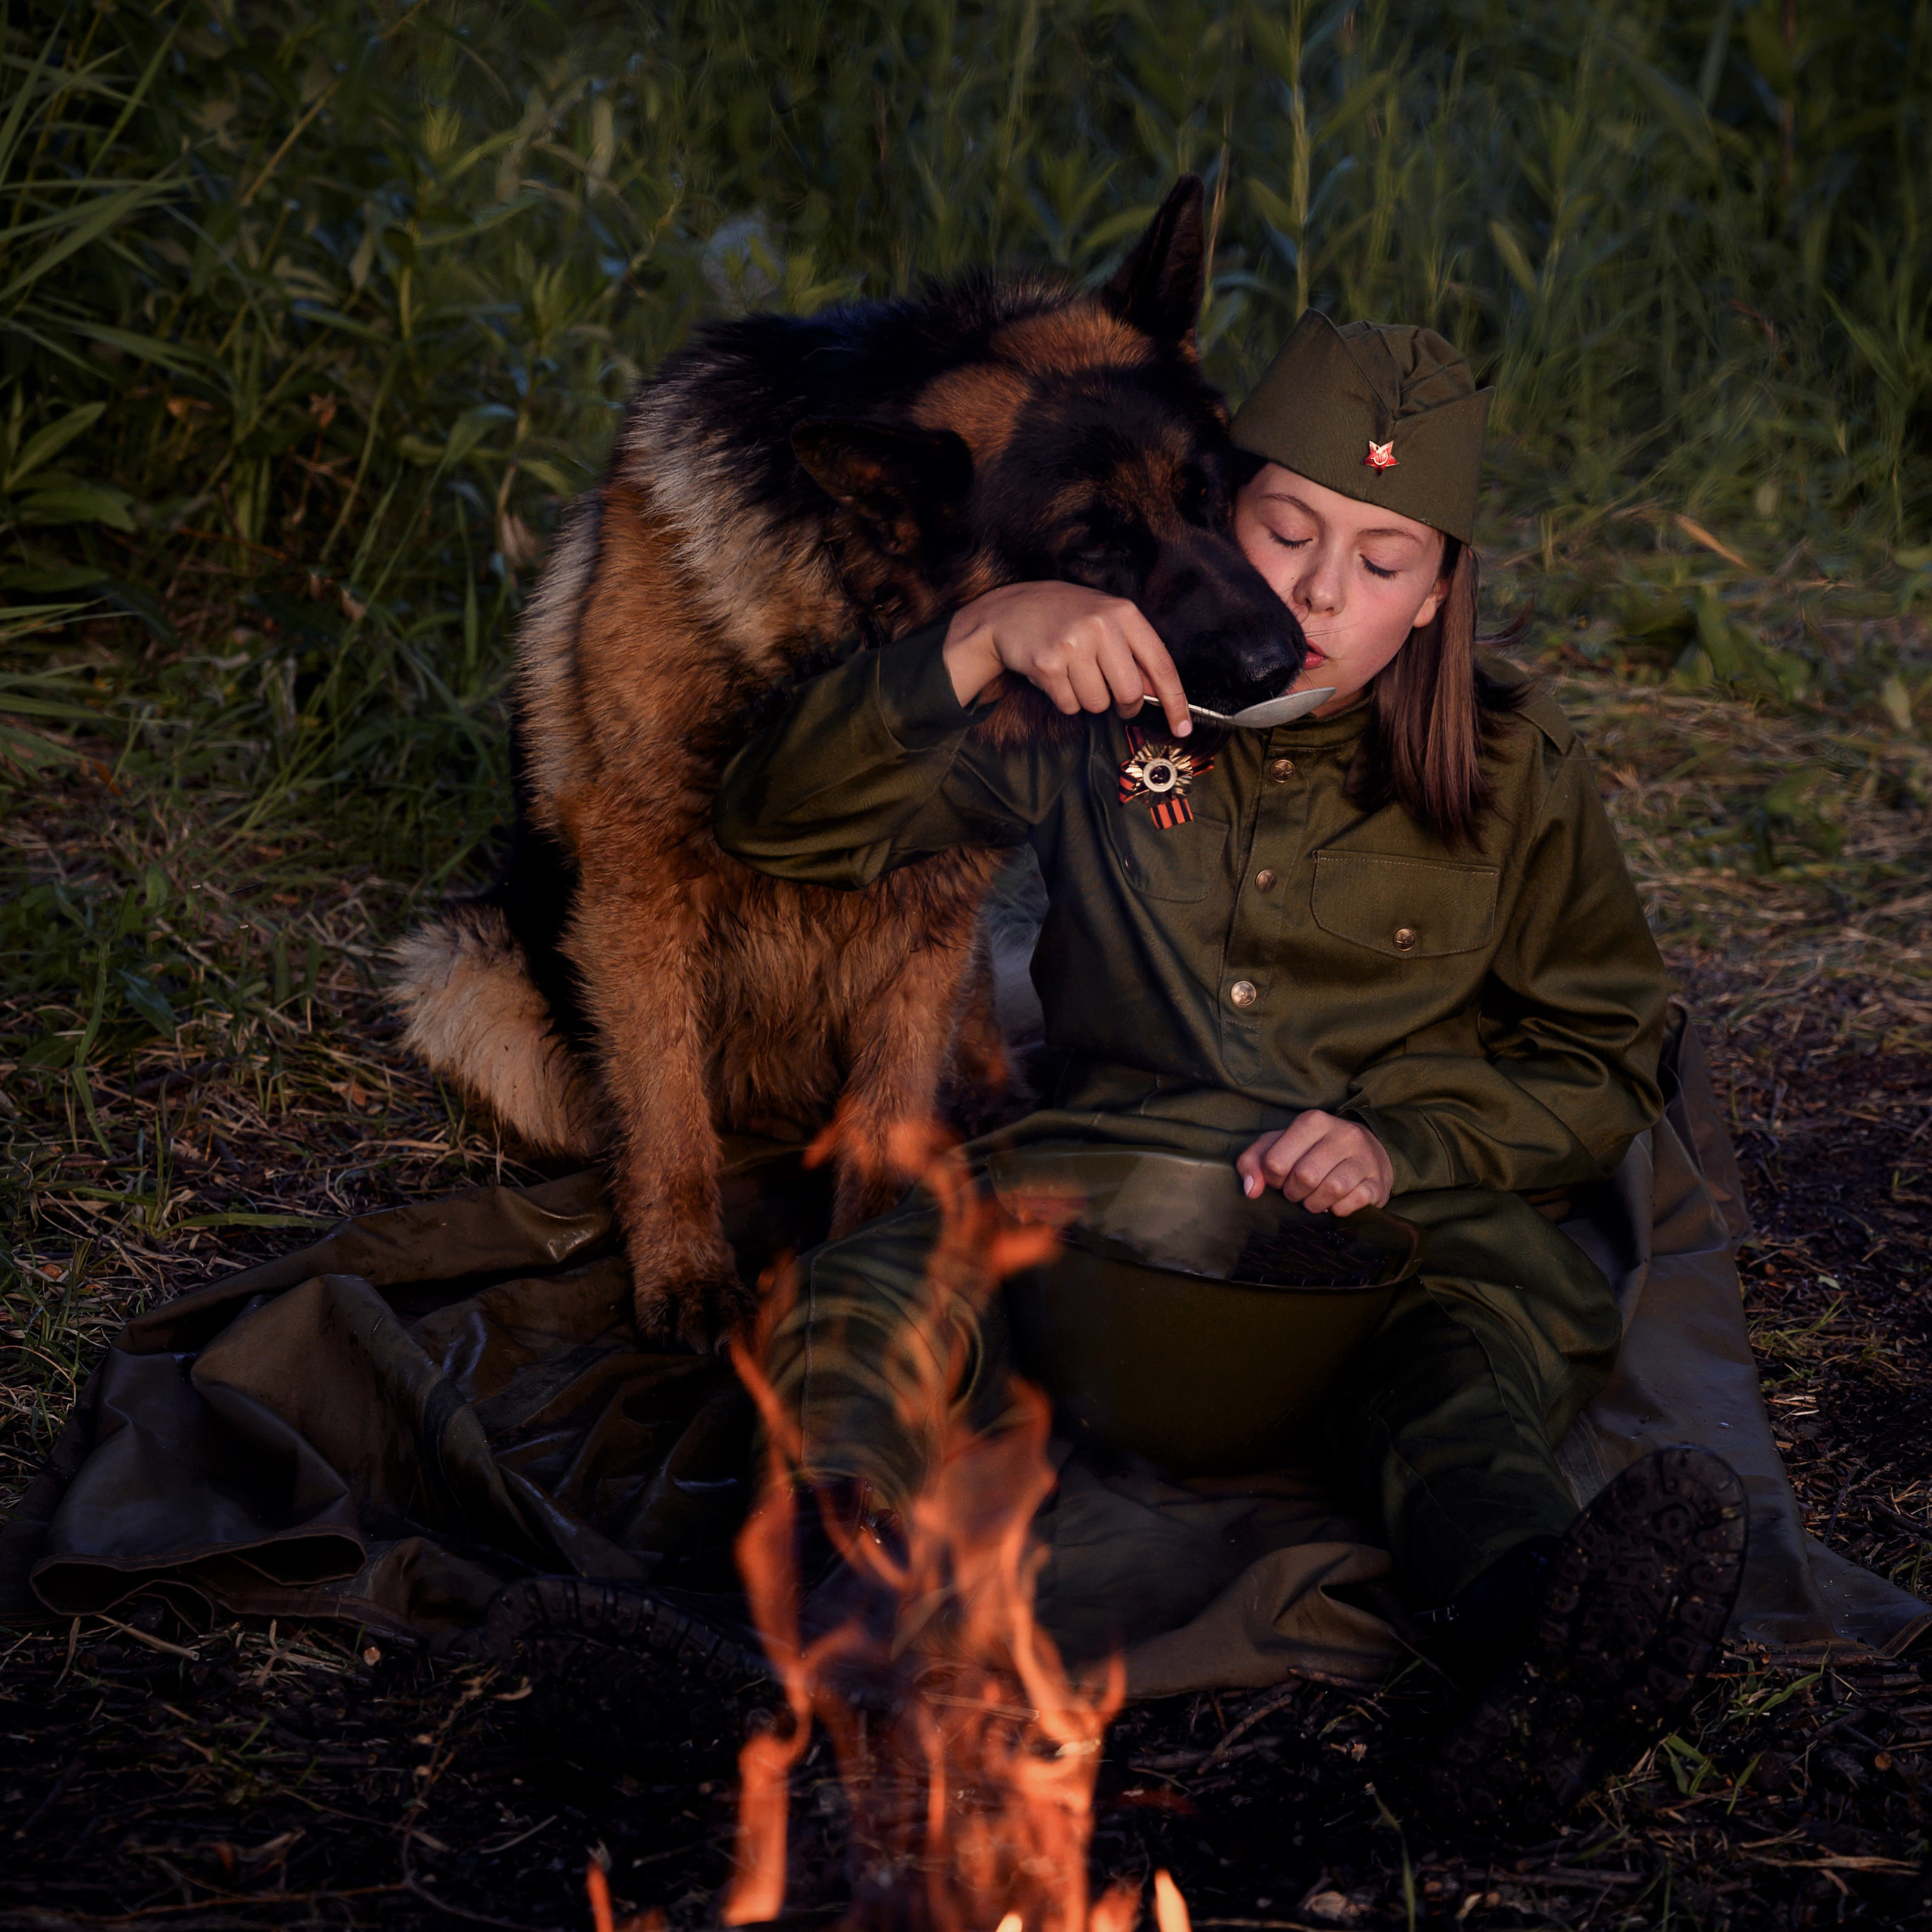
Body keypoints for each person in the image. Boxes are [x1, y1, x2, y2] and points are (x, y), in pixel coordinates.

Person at [709, 311, 1747, 1824]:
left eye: (1381, 559)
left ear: (1439, 588)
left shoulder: (1510, 762)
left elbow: (1594, 1049)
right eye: (1287, 527)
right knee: (874, 1282)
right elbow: (774, 826)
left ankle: (1536, 1637)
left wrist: (1403, 1138)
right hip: (1102, 1211)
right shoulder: (1087, 708)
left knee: (1462, 1385)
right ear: (1213, 505)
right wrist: (977, 637)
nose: (1322, 592)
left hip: (1395, 1235)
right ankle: (795, 1614)